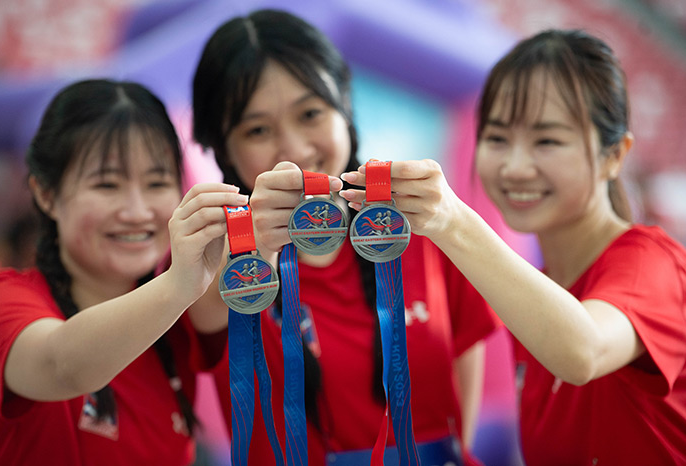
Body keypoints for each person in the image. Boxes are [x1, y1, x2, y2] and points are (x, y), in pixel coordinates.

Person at [340, 29, 686, 465]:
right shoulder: (537, 292)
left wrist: (452, 219)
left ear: (615, 154)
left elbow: (583, 351)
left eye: (547, 141)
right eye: (498, 138)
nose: (515, 167)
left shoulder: (653, 264)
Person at [192, 9, 499, 466]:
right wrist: (254, 246)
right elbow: (205, 312)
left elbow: (461, 363)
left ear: (346, 110)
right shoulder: (209, 253)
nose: (294, 149)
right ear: (223, 149)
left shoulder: (419, 222)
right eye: (257, 129)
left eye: (311, 113)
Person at [0, 79, 249, 465]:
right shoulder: (0, 304)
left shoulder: (180, 319)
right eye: (107, 184)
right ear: (45, 194)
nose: (137, 211)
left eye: (157, 183)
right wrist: (179, 283)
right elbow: (62, 364)